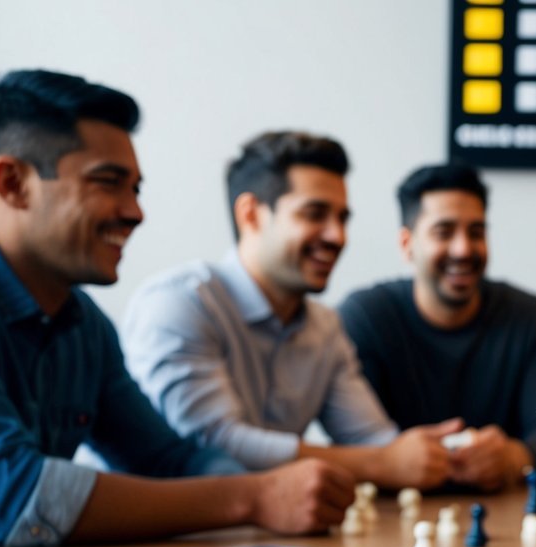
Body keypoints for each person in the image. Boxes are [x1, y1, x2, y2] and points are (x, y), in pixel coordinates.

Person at [0, 70, 352, 547]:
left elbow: (168, 457)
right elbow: (17, 496)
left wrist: (268, 496)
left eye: (136, 190)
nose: (135, 212)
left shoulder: (84, 322)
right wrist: (253, 497)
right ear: (13, 183)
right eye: (109, 183)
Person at [121, 132, 453, 491]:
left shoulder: (326, 328)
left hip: (258, 538)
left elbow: (373, 441)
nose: (337, 236)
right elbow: (213, 443)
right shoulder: (181, 302)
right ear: (250, 214)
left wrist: (450, 455)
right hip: (133, 539)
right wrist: (381, 463)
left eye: (343, 218)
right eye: (315, 214)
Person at [339, 164, 536, 491]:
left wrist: (512, 457)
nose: (463, 249)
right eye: (443, 232)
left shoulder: (530, 317)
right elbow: (353, 440)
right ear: (407, 244)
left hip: (506, 515)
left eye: (476, 232)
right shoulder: (365, 317)